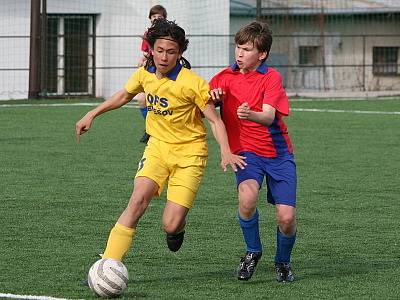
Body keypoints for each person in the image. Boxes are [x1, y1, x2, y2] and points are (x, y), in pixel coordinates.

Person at [76, 19, 246, 270]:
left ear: (180, 53)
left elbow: (215, 120)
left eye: (171, 52)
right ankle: (108, 264)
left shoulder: (192, 83)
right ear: (151, 49)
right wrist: (92, 113)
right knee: (137, 200)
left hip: (190, 155)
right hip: (157, 148)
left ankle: (177, 228)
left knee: (170, 223)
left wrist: (225, 151)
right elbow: (124, 95)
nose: (164, 57)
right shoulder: (144, 73)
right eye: (159, 50)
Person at [209, 21, 297, 282]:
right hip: (247, 154)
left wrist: (250, 114)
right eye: (238, 47)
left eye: (246, 49)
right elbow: (205, 104)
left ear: (262, 54)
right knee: (246, 200)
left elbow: (269, 117)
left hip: (278, 154)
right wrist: (213, 97)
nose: (239, 53)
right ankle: (252, 252)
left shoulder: (271, 77)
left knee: (287, 217)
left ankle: (282, 261)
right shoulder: (223, 77)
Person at [136, 5, 168, 143]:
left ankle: (165, 129)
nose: (156, 19)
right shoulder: (147, 34)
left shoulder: (169, 33)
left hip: (164, 71)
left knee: (164, 101)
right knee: (142, 99)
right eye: (153, 17)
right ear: (150, 19)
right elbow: (146, 53)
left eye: (159, 17)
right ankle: (150, 129)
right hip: (150, 69)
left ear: (164, 19)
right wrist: (142, 59)